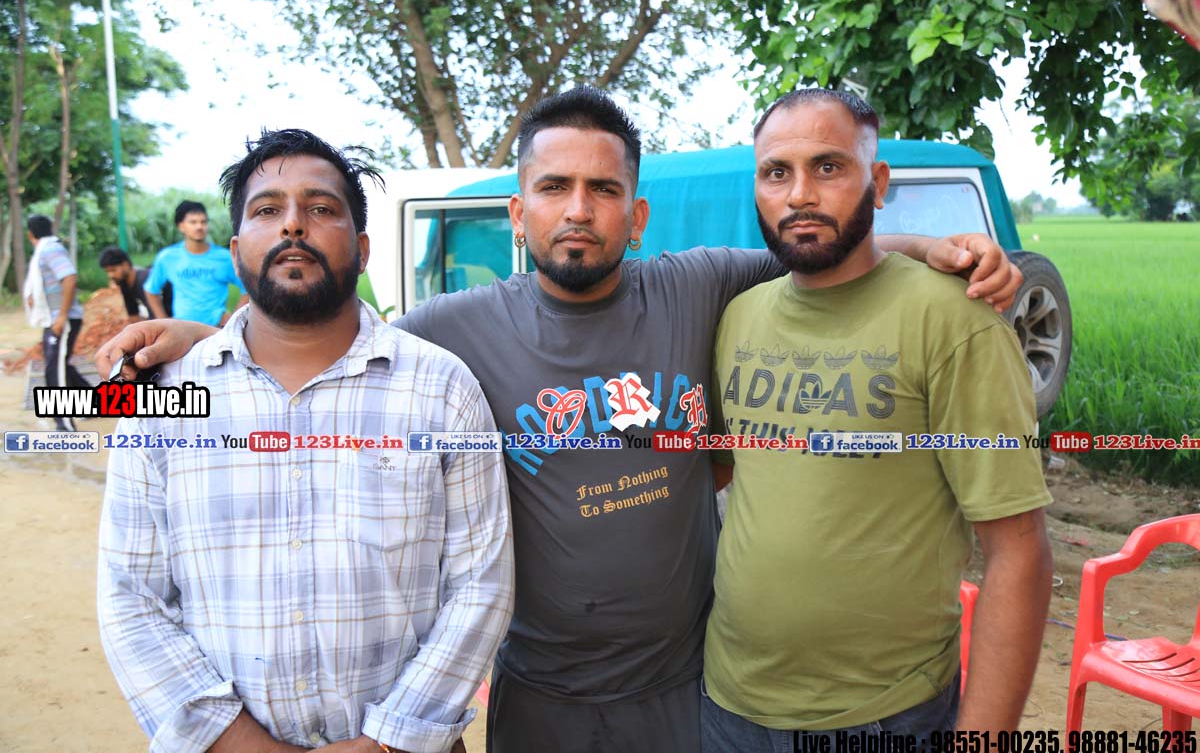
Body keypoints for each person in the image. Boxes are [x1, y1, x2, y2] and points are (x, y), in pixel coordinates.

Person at [96, 87, 1023, 753]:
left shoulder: (701, 287)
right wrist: (206, 338)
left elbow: (821, 247)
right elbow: (326, 338)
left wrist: (937, 248)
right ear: (517, 211)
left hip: (690, 687)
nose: (578, 210)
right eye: (553, 188)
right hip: (540, 697)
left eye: (604, 190)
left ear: (638, 215)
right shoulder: (451, 333)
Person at [97, 129, 514, 753]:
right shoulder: (161, 400)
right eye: (268, 210)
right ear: (236, 251)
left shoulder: (442, 388)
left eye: (321, 208)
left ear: (363, 249)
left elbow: (482, 583)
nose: (294, 225)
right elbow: (131, 596)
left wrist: (386, 742)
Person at [700, 89, 1053, 748]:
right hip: (726, 704)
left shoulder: (953, 322)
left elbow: (1018, 550)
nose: (799, 194)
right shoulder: (739, 316)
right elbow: (722, 473)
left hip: (884, 713)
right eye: (776, 172)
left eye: (828, 167)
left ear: (878, 182)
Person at [23, 213, 89, 431]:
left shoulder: (50, 249)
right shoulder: (46, 249)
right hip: (54, 318)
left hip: (62, 319)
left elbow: (69, 277)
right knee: (59, 364)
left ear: (30, 234)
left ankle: (64, 424)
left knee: (54, 368)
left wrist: (61, 316)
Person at [144, 199, 247, 325]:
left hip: (216, 329)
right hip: (182, 329)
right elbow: (151, 290)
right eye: (193, 222)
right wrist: (163, 321)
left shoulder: (225, 257)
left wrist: (233, 321)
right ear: (181, 226)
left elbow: (248, 288)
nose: (199, 227)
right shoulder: (167, 257)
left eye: (203, 222)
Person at [98, 246, 174, 318]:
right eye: (107, 271)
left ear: (125, 265)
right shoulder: (124, 284)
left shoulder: (144, 281)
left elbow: (158, 318)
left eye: (113, 270)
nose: (110, 275)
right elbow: (133, 315)